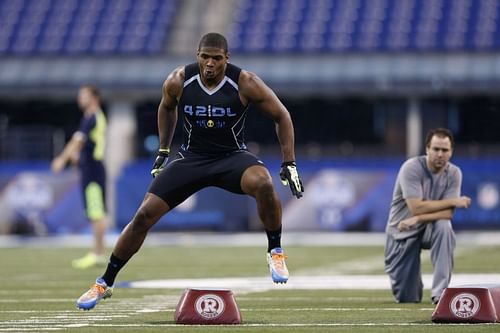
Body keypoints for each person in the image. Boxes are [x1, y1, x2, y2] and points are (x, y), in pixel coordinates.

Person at [75, 32, 304, 310]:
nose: (210, 64)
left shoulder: (245, 82)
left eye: (216, 59)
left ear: (226, 59)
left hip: (231, 157)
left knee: (264, 183)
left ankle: (275, 250)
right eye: (205, 57)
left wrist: (288, 162)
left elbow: (282, 115)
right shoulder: (179, 80)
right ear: (197, 56)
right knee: (143, 215)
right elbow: (166, 107)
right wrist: (163, 150)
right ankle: (104, 282)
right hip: (192, 158)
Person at [384, 128, 471, 305]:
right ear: (427, 149)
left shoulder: (454, 173)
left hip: (428, 228)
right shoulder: (411, 168)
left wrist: (417, 219)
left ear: (451, 152)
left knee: (444, 226)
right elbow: (416, 207)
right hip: (402, 232)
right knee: (407, 298)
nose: (440, 154)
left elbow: (447, 214)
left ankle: (440, 294)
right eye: (436, 149)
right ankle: (409, 287)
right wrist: (453, 201)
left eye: (445, 150)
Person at [51, 85, 108, 269]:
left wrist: (62, 159)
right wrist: (77, 159)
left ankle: (97, 253)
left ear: (95, 98)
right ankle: (97, 252)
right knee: (94, 212)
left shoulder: (92, 117)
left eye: (84, 95)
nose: (80, 98)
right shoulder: (89, 117)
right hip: (89, 168)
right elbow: (84, 144)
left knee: (96, 212)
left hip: (93, 169)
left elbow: (77, 141)